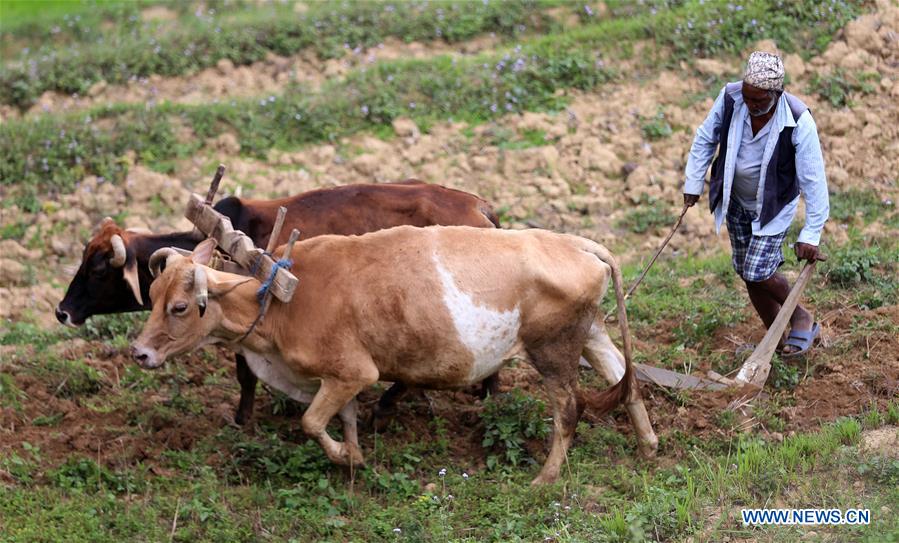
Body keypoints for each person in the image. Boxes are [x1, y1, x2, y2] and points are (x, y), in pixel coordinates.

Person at [682, 51, 829, 357]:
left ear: (777, 94)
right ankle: (775, 338)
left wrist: (811, 234)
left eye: (759, 101)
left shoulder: (799, 120)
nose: (751, 106)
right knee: (746, 271)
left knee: (758, 270)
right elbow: (705, 138)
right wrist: (693, 183)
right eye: (748, 99)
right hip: (735, 201)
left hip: (772, 208)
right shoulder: (731, 98)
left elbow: (814, 181)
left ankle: (800, 316)